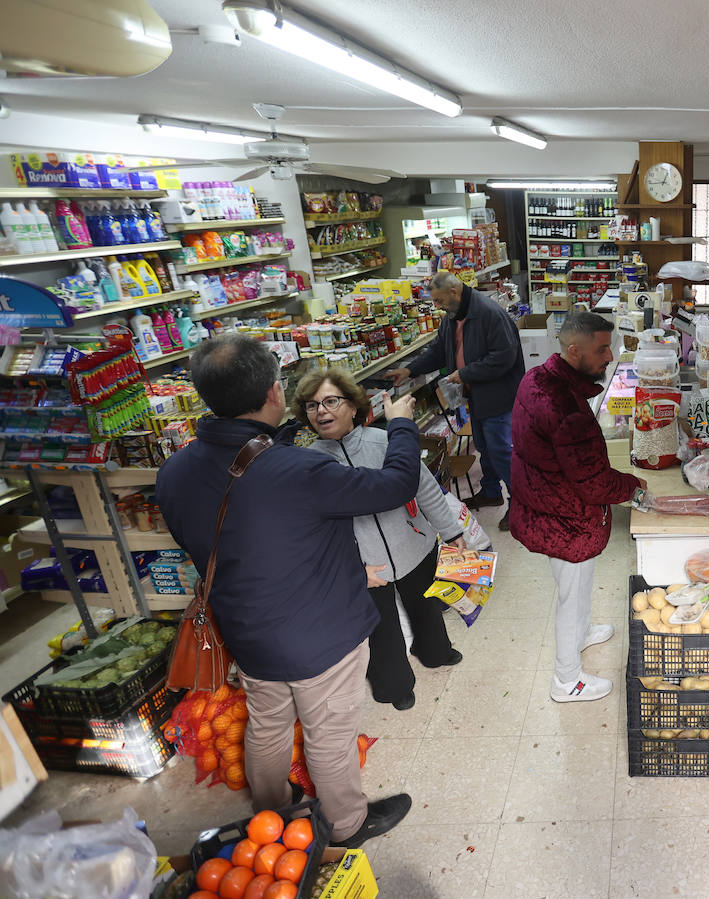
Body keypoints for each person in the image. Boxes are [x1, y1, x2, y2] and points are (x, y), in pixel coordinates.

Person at [157, 334, 415, 848]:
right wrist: (402, 424)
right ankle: (347, 825)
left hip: (247, 633)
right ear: (274, 392)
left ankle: (273, 813)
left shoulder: (173, 472)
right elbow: (395, 484)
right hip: (322, 635)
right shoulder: (300, 469)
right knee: (329, 734)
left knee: (267, 724)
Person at [295, 366, 466, 713]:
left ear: (353, 405)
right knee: (380, 629)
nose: (321, 411)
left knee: (427, 607)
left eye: (330, 401)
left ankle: (435, 651)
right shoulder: (309, 463)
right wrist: (352, 570)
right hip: (365, 564)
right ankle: (394, 685)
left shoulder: (386, 441)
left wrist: (452, 532)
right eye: (312, 406)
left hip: (413, 543)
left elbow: (426, 489)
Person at [510, 312, 645, 702]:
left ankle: (582, 633)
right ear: (574, 350)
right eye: (602, 349)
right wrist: (634, 486)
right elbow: (594, 481)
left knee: (579, 586)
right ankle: (566, 680)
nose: (610, 356)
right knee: (571, 595)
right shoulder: (566, 407)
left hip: (545, 504)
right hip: (566, 520)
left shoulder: (536, 378)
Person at [385, 271, 524, 530]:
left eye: (439, 300)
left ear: (454, 292)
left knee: (501, 451)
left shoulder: (488, 313)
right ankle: (491, 492)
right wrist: (410, 369)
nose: (437, 306)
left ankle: (520, 506)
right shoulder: (452, 316)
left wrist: (465, 373)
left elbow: (504, 357)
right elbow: (439, 350)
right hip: (477, 394)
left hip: (499, 395)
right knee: (485, 447)